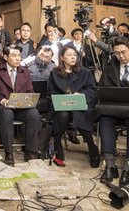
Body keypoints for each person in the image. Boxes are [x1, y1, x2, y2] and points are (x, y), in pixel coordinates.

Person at [47, 45, 99, 168]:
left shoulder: (85, 72)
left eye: (74, 55)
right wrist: (64, 98)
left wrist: (80, 95)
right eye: (69, 55)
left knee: (79, 113)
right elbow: (51, 93)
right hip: (63, 107)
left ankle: (92, 146)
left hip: (81, 106)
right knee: (63, 114)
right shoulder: (55, 73)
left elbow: (92, 91)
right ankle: (58, 142)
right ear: (62, 57)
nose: (72, 57)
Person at [0, 44, 40, 166]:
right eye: (14, 55)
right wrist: (3, 101)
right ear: (5, 57)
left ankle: (30, 151)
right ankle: (9, 152)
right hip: (3, 106)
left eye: (19, 56)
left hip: (20, 107)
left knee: (34, 113)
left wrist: (28, 100)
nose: (18, 58)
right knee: (7, 114)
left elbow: (30, 91)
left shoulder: (24, 71)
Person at [99, 37, 129, 185]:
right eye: (117, 53)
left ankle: (128, 166)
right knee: (105, 120)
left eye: (123, 52)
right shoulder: (110, 66)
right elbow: (102, 88)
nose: (120, 56)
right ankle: (110, 163)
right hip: (114, 108)